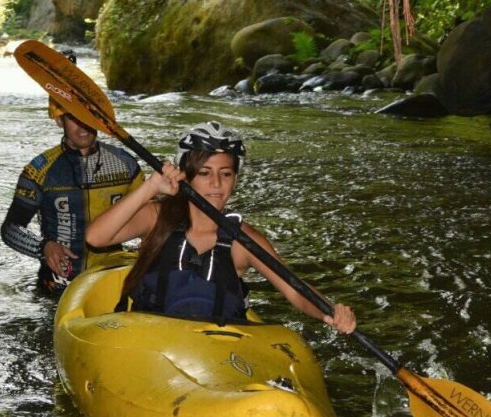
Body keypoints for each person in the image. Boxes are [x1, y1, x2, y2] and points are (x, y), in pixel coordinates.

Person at [85, 121, 356, 332]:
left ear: (235, 179)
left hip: (214, 349)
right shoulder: (157, 217)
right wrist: (151, 188)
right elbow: (96, 237)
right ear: (187, 177)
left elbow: (294, 291)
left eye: (225, 174)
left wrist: (329, 312)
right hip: (152, 342)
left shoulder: (243, 240)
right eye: (204, 173)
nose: (216, 184)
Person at [1, 93, 144, 293]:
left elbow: (154, 220)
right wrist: (44, 247)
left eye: (88, 116)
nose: (83, 125)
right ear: (59, 120)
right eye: (74, 118)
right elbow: (10, 229)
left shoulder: (126, 164)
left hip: (111, 279)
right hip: (58, 285)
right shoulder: (39, 170)